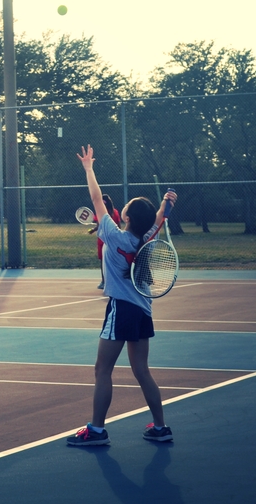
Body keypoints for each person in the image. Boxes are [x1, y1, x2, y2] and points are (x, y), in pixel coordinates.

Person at [66, 145, 177, 447]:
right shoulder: (147, 235)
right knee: (142, 371)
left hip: (121, 309)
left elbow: (95, 198)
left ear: (126, 216)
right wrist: (167, 205)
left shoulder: (113, 236)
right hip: (142, 310)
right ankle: (160, 427)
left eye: (127, 206)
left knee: (103, 370)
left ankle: (97, 430)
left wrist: (89, 168)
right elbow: (158, 218)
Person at [89, 194, 120, 290]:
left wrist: (94, 229)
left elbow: (100, 225)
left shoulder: (102, 213)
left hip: (104, 240)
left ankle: (104, 281)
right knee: (112, 260)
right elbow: (118, 226)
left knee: (103, 261)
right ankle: (110, 281)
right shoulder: (114, 212)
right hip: (111, 239)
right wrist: (93, 230)